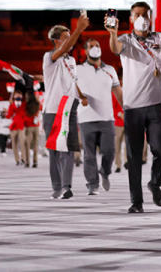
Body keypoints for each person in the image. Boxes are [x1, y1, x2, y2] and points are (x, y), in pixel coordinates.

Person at [107, 1, 161, 213]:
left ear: (151, 17)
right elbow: (114, 48)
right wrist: (112, 32)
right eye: (137, 14)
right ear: (130, 18)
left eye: (145, 14)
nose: (142, 18)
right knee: (134, 157)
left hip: (155, 105)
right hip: (133, 107)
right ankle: (136, 202)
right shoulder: (124, 39)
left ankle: (155, 183)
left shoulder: (159, 38)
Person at [43, 15, 90, 199]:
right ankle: (56, 186)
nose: (69, 39)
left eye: (70, 35)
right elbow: (65, 48)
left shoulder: (71, 61)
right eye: (66, 36)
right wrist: (78, 30)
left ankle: (66, 186)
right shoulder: (49, 57)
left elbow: (73, 82)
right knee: (55, 150)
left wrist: (81, 95)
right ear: (56, 40)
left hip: (68, 109)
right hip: (53, 110)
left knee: (68, 149)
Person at [75, 38, 123, 195]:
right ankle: (92, 183)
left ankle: (105, 172)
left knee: (109, 151)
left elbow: (118, 93)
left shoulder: (110, 70)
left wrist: (127, 110)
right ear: (86, 51)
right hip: (86, 118)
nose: (95, 48)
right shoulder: (78, 69)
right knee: (89, 154)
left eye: (97, 45)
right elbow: (71, 89)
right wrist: (80, 98)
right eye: (91, 46)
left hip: (107, 118)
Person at [7, 89, 34, 166]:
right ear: (14, 96)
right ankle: (17, 160)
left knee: (23, 143)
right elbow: (8, 116)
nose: (18, 96)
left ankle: (23, 158)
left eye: (19, 95)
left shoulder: (24, 105)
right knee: (14, 144)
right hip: (14, 127)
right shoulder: (11, 105)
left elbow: (27, 114)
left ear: (22, 96)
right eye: (16, 95)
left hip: (22, 126)